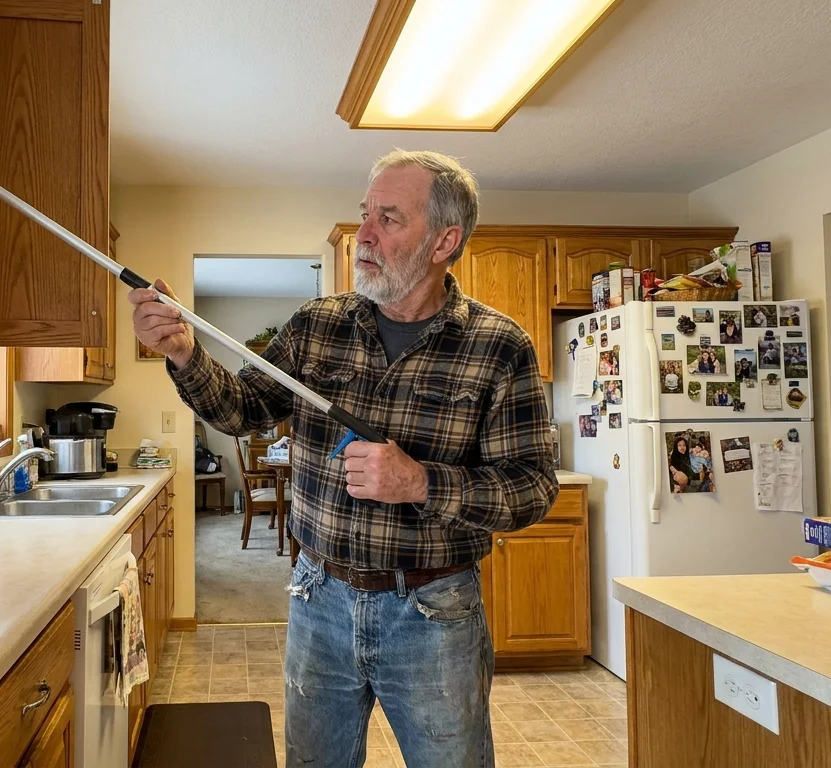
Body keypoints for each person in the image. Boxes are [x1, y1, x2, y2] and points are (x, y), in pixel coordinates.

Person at [130, 150, 557, 767]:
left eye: (389, 218)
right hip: (318, 598)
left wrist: (421, 482)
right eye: (365, 215)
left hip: (434, 613)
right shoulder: (315, 326)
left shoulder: (500, 346)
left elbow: (532, 489)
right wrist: (183, 354)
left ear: (445, 240)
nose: (365, 234)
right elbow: (245, 409)